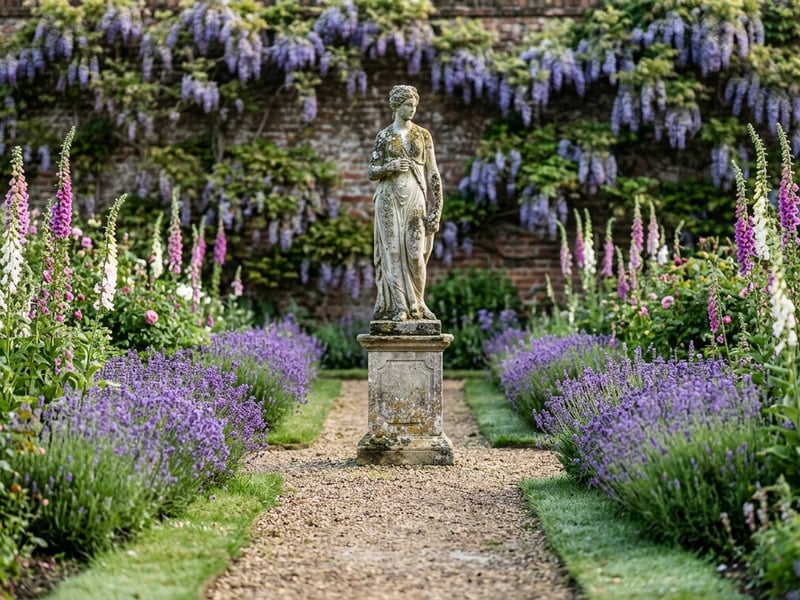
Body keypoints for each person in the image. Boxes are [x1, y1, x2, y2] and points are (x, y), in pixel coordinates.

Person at [367, 84, 443, 322]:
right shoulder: (384, 136)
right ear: (396, 106)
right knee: (392, 253)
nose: (412, 109)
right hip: (388, 200)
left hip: (415, 199)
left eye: (414, 105)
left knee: (414, 254)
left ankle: (418, 304)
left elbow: (433, 173)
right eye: (407, 105)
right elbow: (371, 171)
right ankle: (399, 307)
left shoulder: (422, 135)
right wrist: (389, 167)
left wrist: (437, 208)